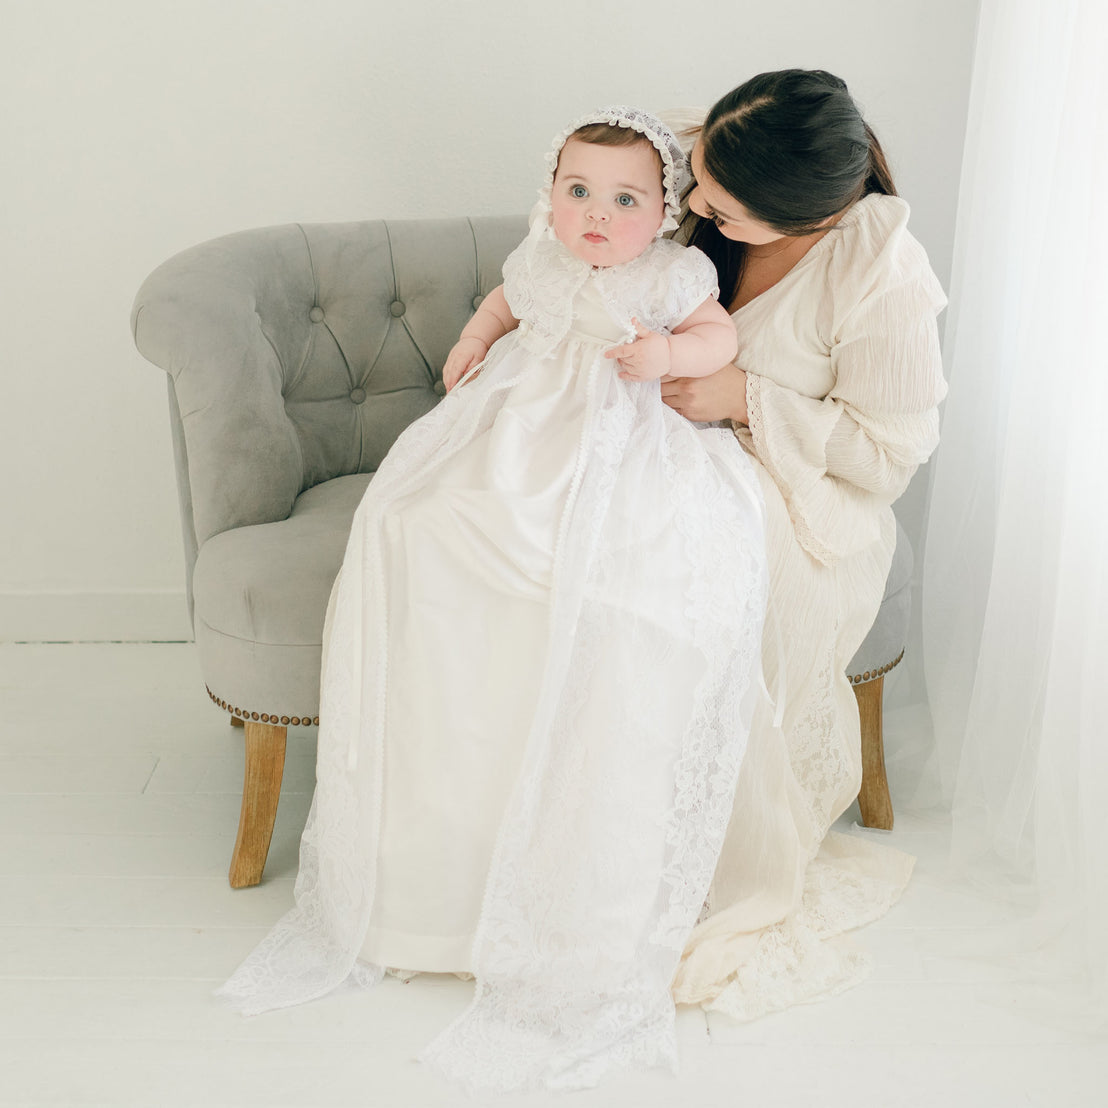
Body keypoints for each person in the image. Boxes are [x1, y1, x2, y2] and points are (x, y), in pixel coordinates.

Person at [219, 107, 770, 1093]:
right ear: (551, 191)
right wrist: (472, 343)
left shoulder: (671, 278)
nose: (595, 215)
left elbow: (713, 336)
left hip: (619, 440)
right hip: (512, 430)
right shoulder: (541, 260)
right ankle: (431, 869)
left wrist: (670, 359)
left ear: (665, 211)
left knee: (611, 566)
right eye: (577, 191)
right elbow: (501, 305)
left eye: (624, 199)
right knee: (420, 526)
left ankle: (564, 872)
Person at [659, 70, 948, 1019]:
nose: (696, 205)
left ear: (812, 217)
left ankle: (698, 836)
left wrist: (750, 400)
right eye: (700, 177)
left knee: (717, 582)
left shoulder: (878, 272)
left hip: (805, 497)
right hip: (658, 455)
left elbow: (888, 453)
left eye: (723, 208)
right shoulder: (704, 165)